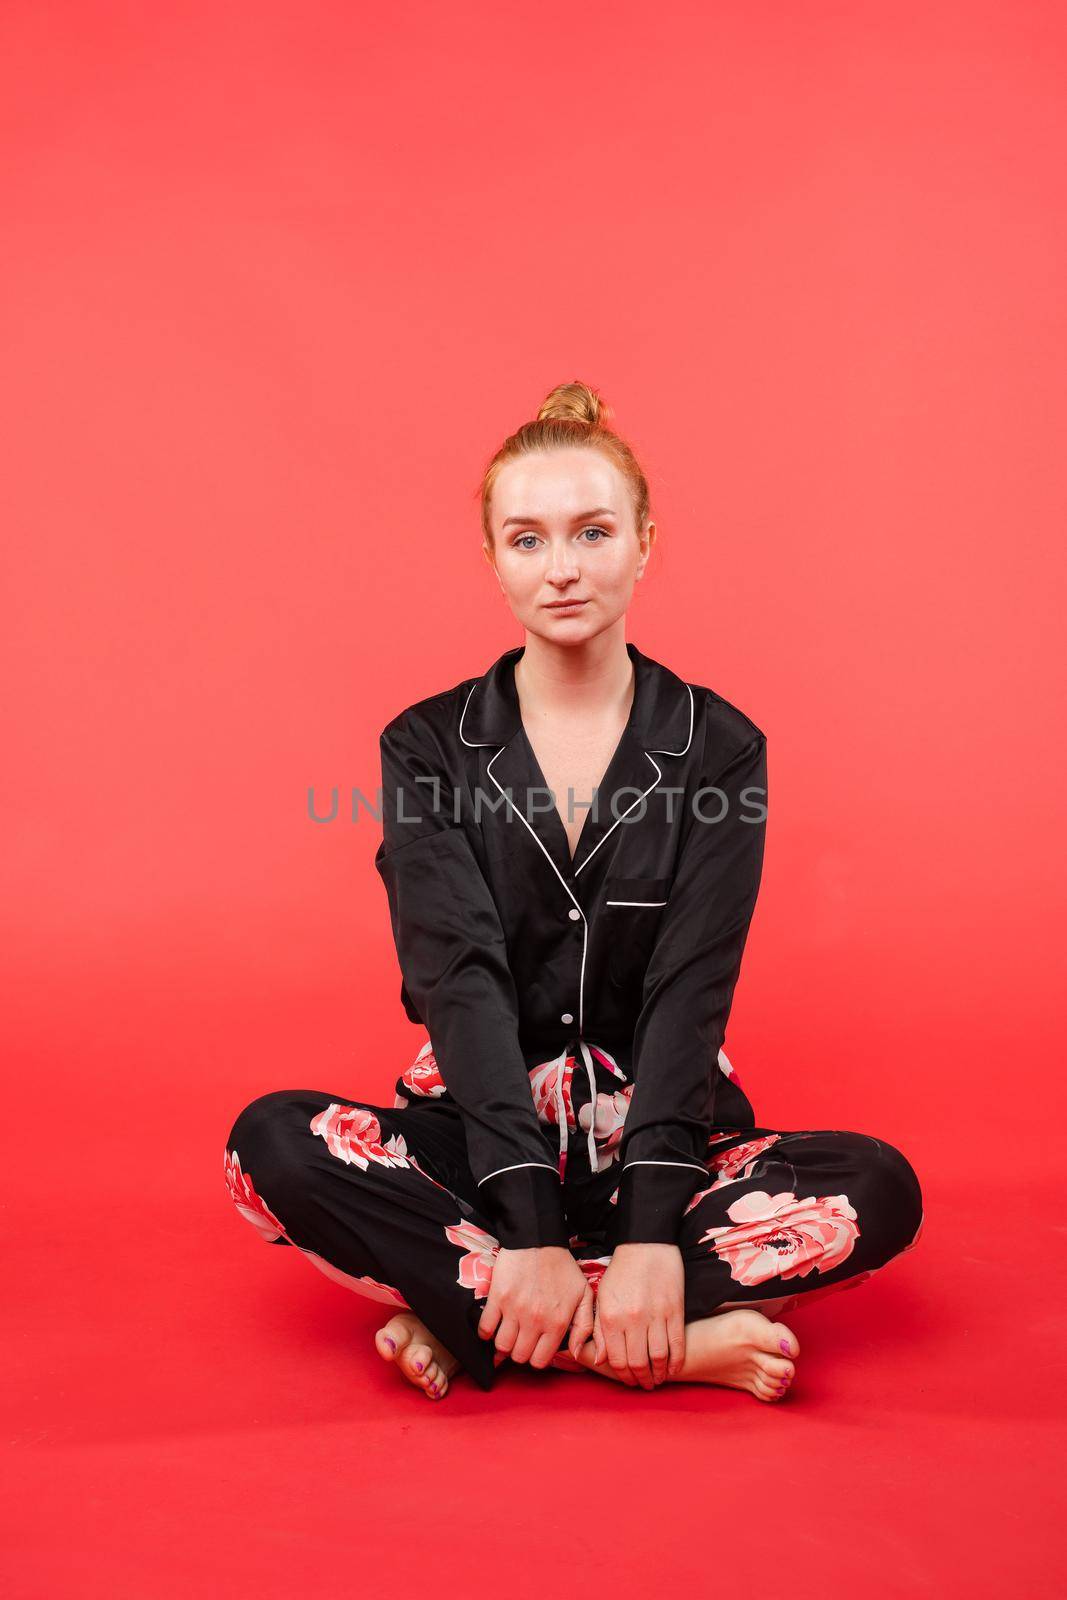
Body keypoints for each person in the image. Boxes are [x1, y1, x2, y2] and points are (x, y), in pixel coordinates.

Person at [223, 380, 924, 1403]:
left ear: (644, 541)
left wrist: (648, 1229)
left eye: (591, 533)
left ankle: (473, 1309)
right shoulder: (424, 748)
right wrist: (527, 1217)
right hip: (475, 1135)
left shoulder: (718, 750)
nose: (560, 569)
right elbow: (455, 979)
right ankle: (637, 1339)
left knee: (878, 1188)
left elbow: (692, 990)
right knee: (269, 1143)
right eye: (526, 540)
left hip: (662, 1143)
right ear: (492, 561)